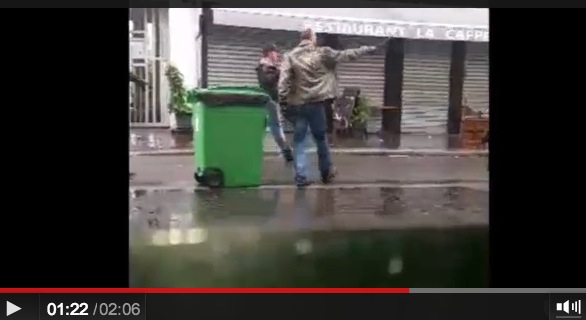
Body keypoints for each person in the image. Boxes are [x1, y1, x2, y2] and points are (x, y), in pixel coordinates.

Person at [278, 29, 391, 187]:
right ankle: (326, 173)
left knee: (300, 141)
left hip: (298, 104)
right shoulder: (323, 53)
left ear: (301, 39)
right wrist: (366, 49)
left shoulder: (290, 56)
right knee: (321, 139)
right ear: (312, 39)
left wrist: (283, 102)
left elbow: (283, 82)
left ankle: (301, 177)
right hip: (317, 104)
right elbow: (347, 55)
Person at [256, 44, 294, 164]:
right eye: (275, 52)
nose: (277, 55)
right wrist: (279, 72)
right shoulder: (264, 67)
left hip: (273, 100)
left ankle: (285, 151)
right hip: (270, 100)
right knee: (276, 127)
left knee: (271, 126)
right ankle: (286, 151)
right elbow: (267, 81)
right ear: (269, 53)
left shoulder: (270, 67)